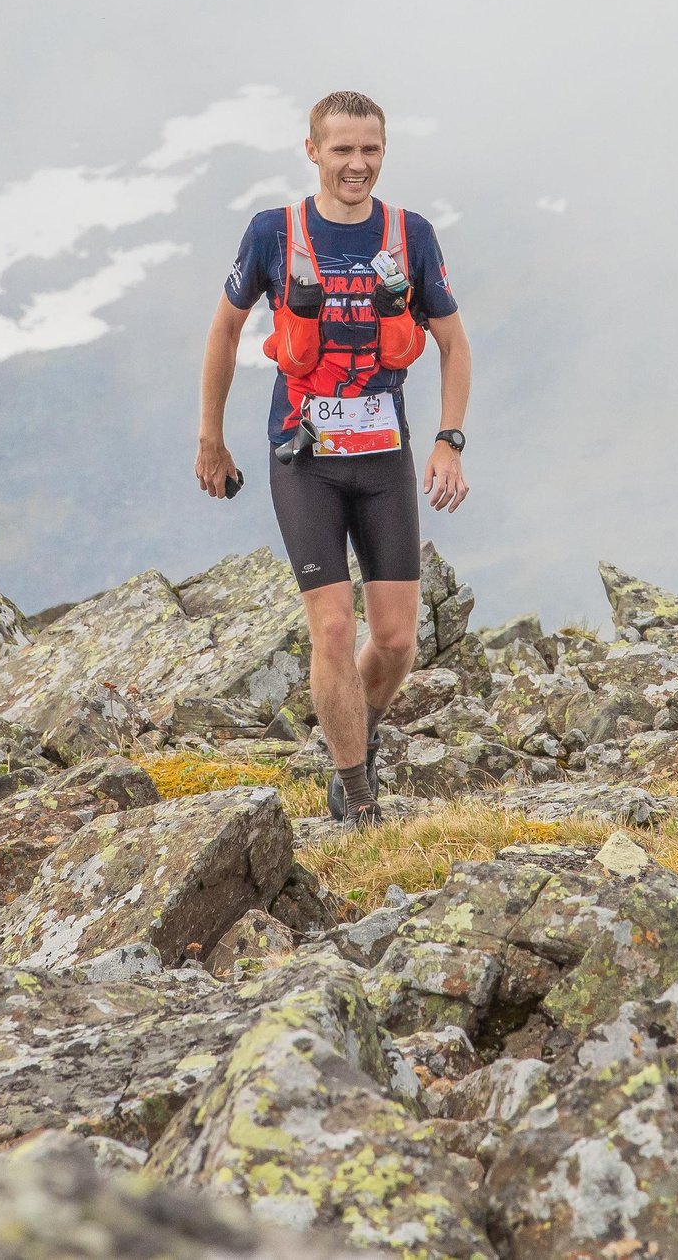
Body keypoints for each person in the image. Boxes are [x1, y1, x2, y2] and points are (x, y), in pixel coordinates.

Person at [195, 89, 471, 825]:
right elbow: (224, 332)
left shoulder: (410, 235)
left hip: (384, 458)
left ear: (384, 152)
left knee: (396, 638)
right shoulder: (272, 233)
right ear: (312, 150)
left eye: (370, 150)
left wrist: (448, 440)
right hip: (304, 457)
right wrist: (210, 438)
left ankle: (358, 730)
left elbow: (453, 343)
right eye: (342, 149)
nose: (357, 163)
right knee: (333, 629)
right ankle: (356, 798)